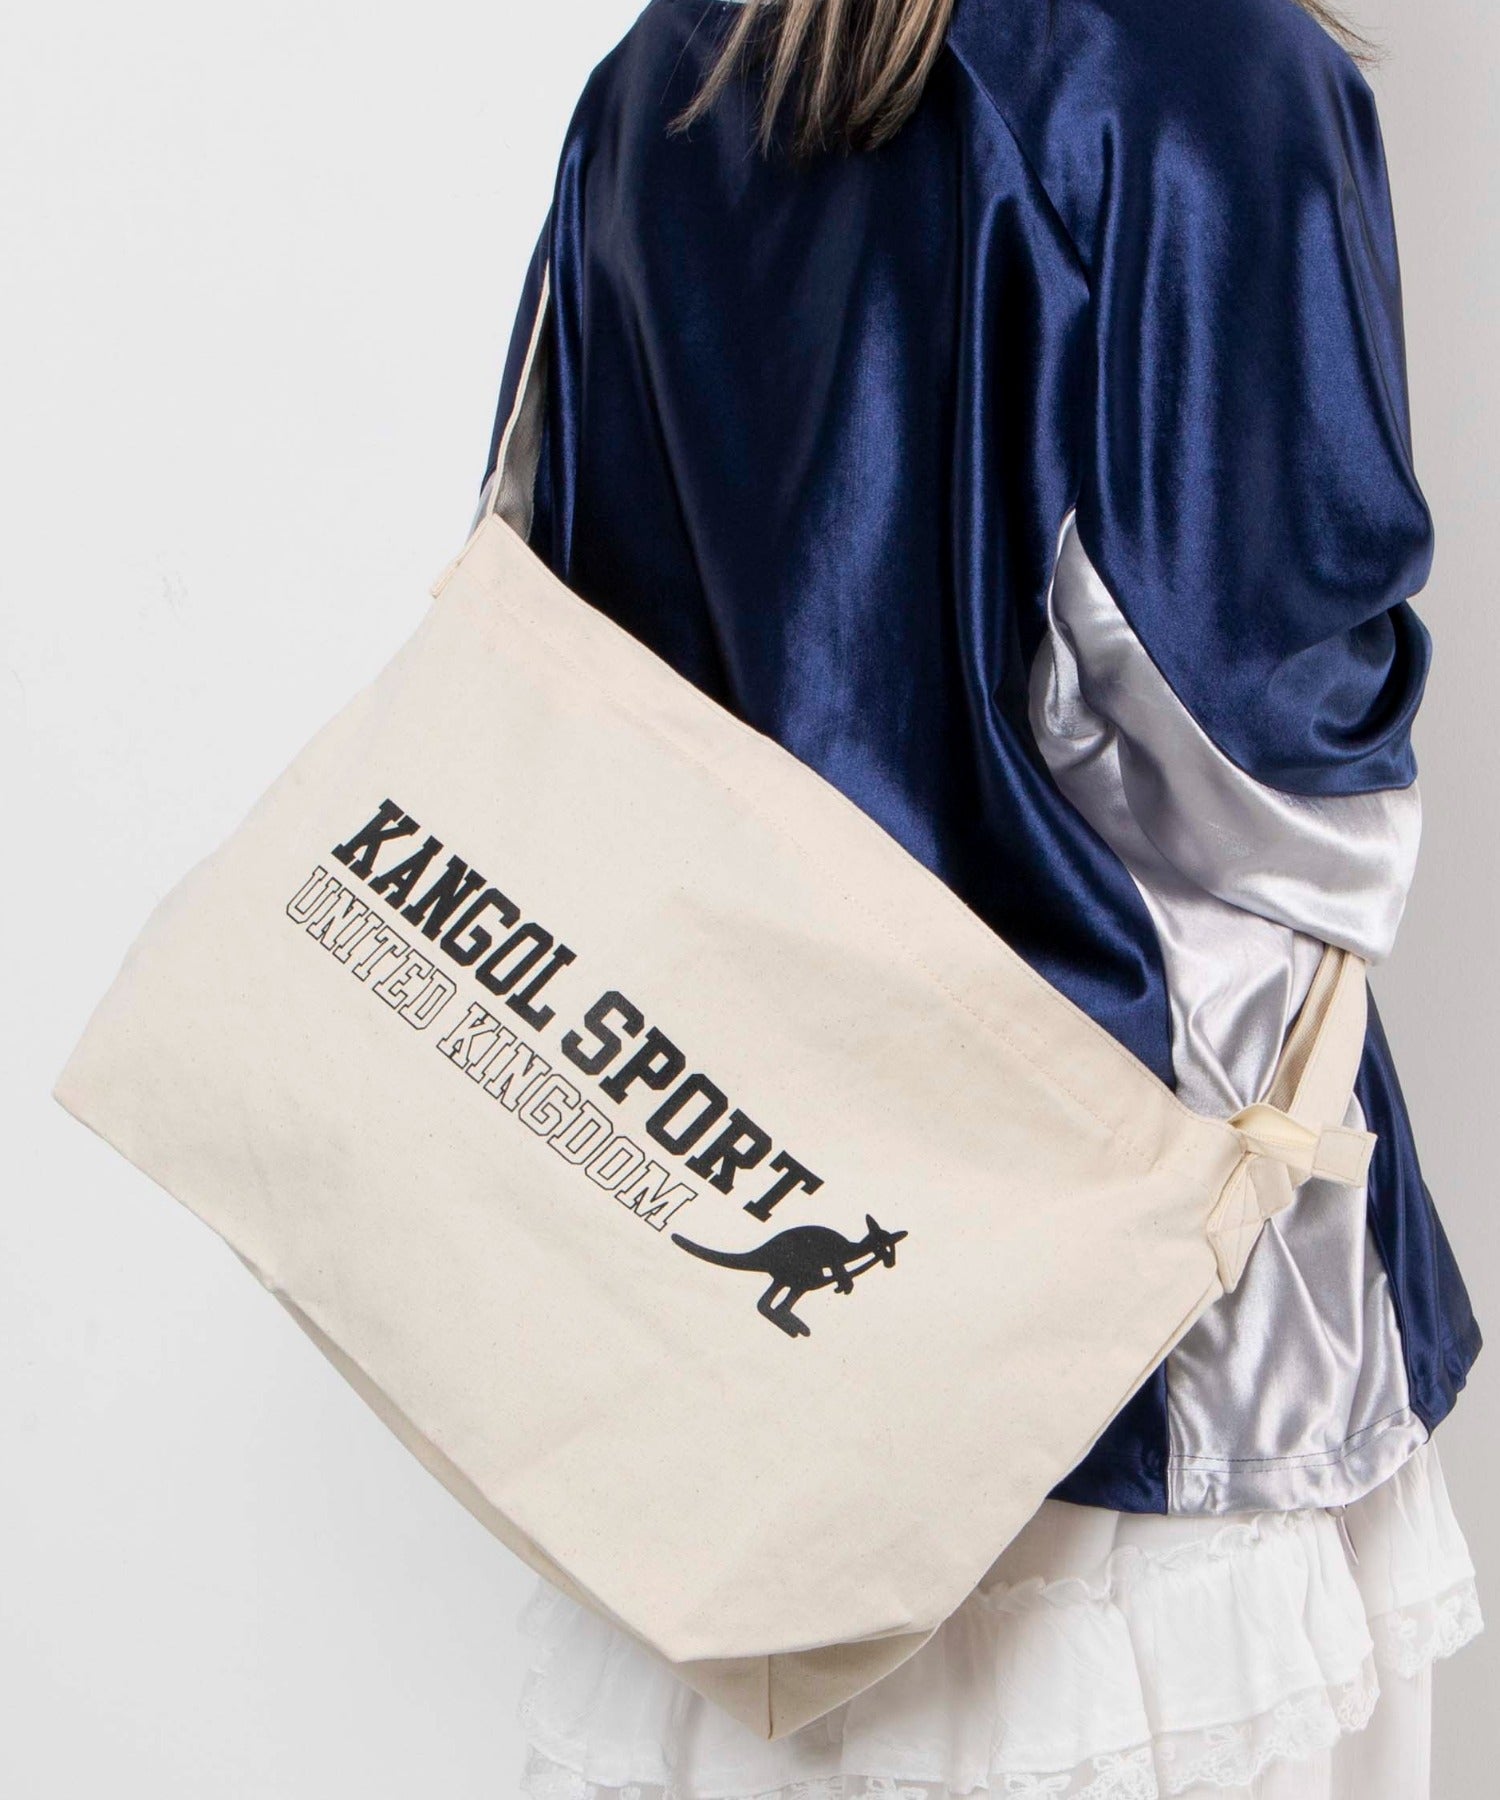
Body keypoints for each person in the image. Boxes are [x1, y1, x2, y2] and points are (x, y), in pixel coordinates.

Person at [479, 2, 1483, 1795]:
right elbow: (1259, 718)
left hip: (740, 1261)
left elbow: (545, 629)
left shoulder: (668, 74)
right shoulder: (1209, 70)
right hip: (1125, 1266)